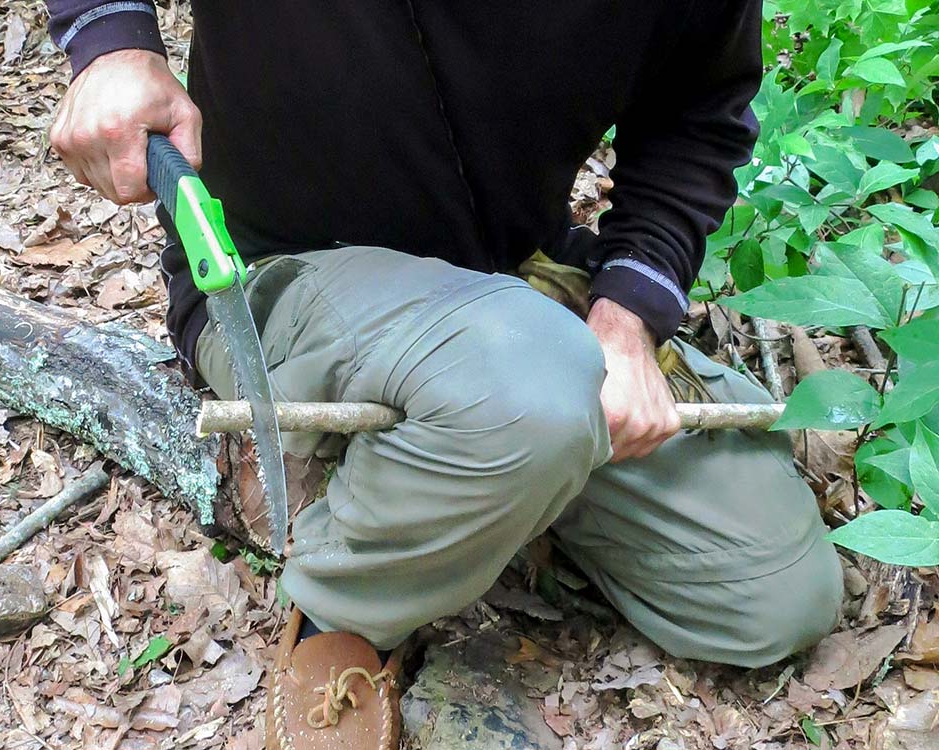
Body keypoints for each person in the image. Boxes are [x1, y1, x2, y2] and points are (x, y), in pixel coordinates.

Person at [44, 3, 844, 748]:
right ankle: (349, 604)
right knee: (522, 390)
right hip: (272, 269)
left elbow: (694, 118)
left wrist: (626, 318)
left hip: (510, 283)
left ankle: (497, 462)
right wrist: (107, 38)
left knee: (770, 591)